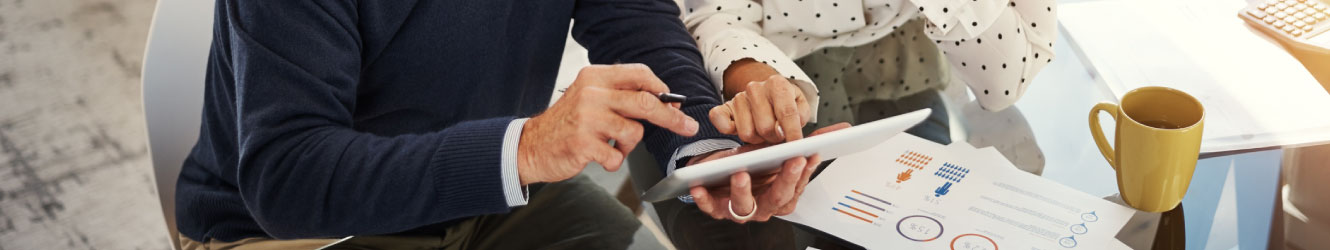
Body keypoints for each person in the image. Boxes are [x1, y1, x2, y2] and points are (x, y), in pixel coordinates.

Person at [172, 0, 823, 249]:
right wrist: (530, 147)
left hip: (493, 190)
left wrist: (704, 149)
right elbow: (288, 181)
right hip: (304, 234)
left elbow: (635, 18)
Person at [658, 0, 1060, 249]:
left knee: (935, 222)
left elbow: (1005, 82)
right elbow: (708, 12)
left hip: (905, 69)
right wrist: (755, 77)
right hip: (756, 70)